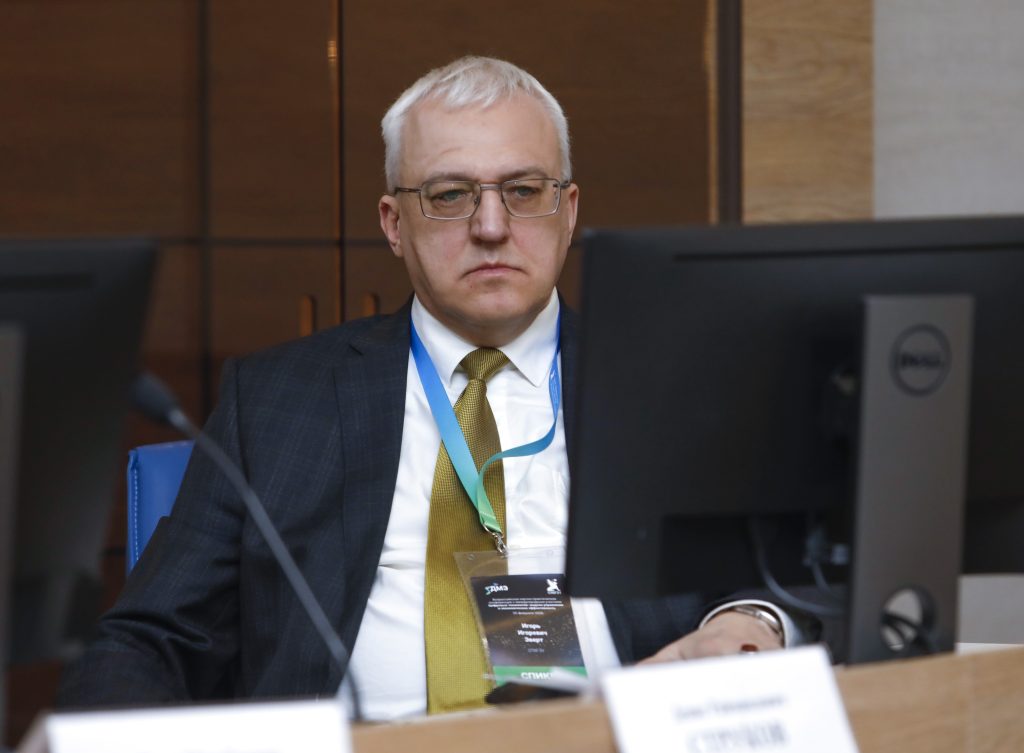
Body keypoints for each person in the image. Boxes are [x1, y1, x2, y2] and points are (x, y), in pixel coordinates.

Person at [58, 56, 796, 720]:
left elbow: (773, 582)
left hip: (602, 737)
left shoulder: (666, 387)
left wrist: (750, 624)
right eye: (449, 194)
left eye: (523, 190)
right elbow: (151, 639)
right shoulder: (279, 400)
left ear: (568, 211)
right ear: (393, 223)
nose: (491, 226)